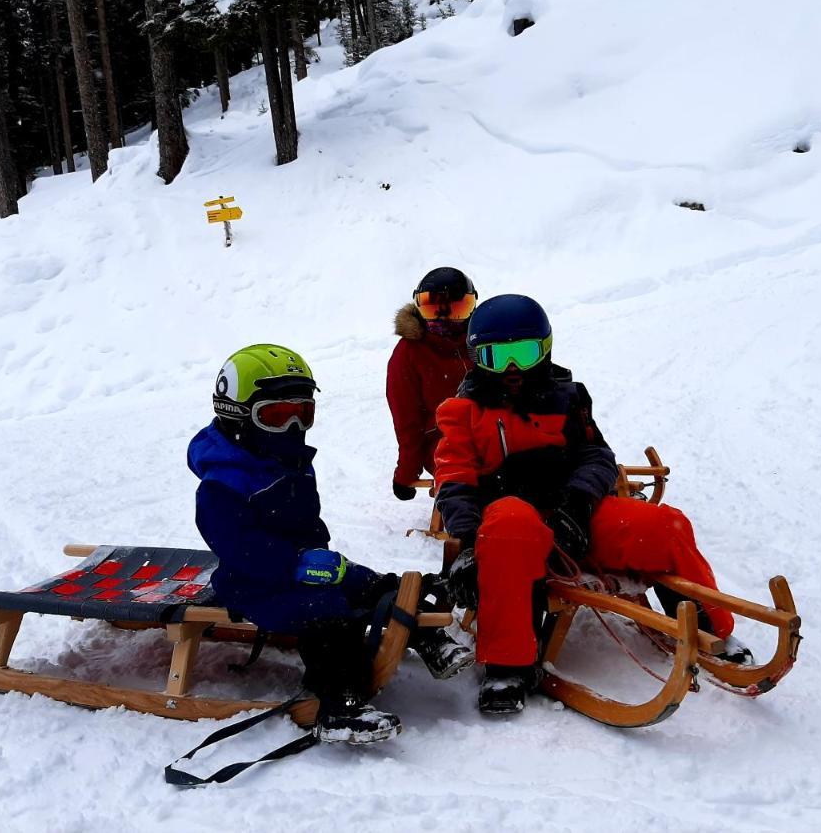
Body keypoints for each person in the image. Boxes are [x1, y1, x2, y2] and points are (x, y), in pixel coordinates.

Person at [433, 296, 751, 715]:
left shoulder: (568, 397)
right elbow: (453, 477)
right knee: (511, 526)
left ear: (544, 351)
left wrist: (577, 505)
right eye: (497, 357)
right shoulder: (462, 411)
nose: (512, 369)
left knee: (662, 525)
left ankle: (712, 629)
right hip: (508, 517)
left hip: (571, 512)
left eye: (523, 354)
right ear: (478, 359)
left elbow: (596, 456)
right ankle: (507, 664)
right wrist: (470, 540)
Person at [188, 344, 472, 743]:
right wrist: (294, 564)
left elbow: (305, 519)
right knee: (328, 610)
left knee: (369, 582)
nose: (291, 428)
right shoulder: (223, 483)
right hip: (253, 585)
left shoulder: (288, 460)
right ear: (237, 415)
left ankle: (428, 639)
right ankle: (339, 706)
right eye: (274, 416)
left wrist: (320, 560)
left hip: (305, 565)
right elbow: (236, 545)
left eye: (301, 413)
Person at [387, 267, 477, 501]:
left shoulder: (479, 340)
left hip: (489, 430)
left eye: (457, 309)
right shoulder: (409, 353)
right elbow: (407, 421)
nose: (445, 319)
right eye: (433, 309)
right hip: (442, 440)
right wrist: (407, 472)